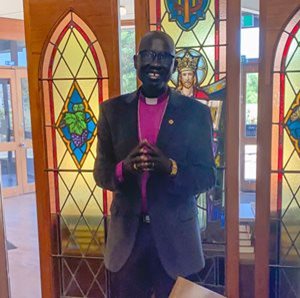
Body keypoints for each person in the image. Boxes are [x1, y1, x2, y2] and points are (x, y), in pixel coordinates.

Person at [94, 31, 215, 298]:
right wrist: (123, 169)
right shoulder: (111, 111)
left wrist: (171, 167)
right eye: (148, 55)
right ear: (136, 61)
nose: (155, 63)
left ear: (173, 65)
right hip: (127, 242)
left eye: (163, 57)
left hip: (177, 243)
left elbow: (207, 176)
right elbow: (101, 173)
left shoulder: (196, 114)